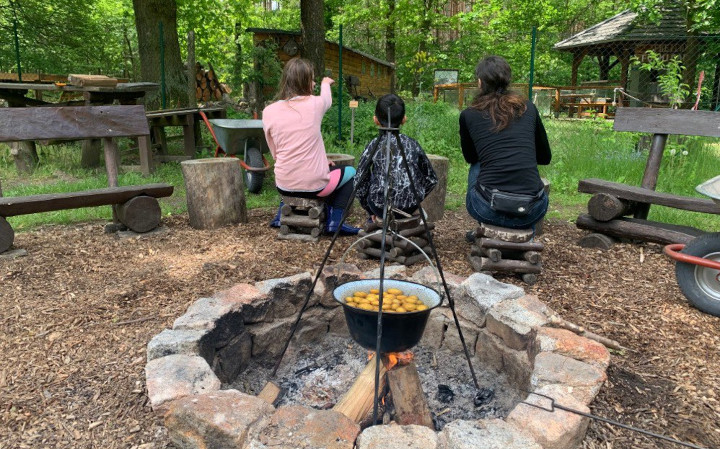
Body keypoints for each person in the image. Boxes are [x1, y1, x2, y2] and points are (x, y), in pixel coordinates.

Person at [262, 58, 360, 235]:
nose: (314, 83)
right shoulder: (315, 104)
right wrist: (325, 83)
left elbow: (276, 153)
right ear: (305, 81)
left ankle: (280, 214)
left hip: (283, 185)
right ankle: (335, 221)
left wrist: (320, 161)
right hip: (314, 187)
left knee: (291, 173)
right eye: (312, 79)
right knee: (351, 172)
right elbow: (327, 99)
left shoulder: (268, 111)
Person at [460, 55, 551, 232]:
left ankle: (488, 228)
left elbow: (470, 157)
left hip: (485, 209)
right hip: (532, 210)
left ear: (480, 82)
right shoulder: (528, 108)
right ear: (508, 81)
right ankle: (525, 230)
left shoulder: (468, 114)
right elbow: (545, 157)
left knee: (477, 164)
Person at [355, 94, 438, 221]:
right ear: (404, 119)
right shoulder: (412, 144)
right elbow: (431, 179)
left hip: (379, 207)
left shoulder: (374, 145)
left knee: (370, 176)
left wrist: (369, 209)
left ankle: (376, 219)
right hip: (410, 206)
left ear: (376, 120)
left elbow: (359, 181)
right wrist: (416, 195)